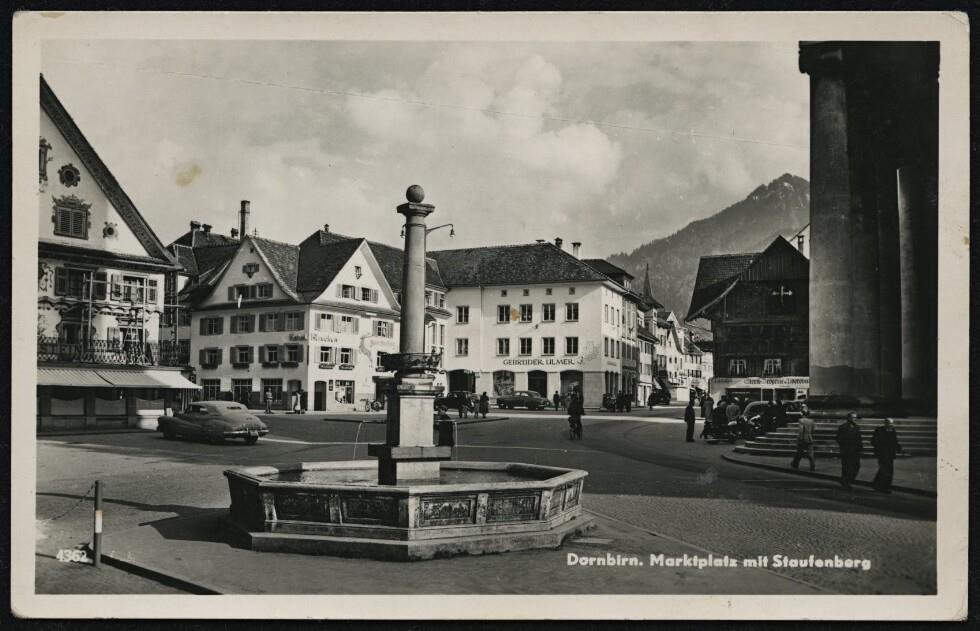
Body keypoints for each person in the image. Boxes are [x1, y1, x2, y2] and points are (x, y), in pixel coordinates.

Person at [871, 418, 903, 493]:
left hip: (890, 454)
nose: (890, 425)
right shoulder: (879, 430)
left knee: (889, 470)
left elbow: (895, 441)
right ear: (885, 423)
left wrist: (900, 449)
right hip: (882, 453)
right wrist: (879, 450)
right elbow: (873, 441)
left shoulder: (893, 430)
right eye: (888, 423)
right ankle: (883, 487)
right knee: (885, 470)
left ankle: (878, 485)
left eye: (891, 423)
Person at [836, 412, 864, 489]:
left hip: (855, 450)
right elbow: (838, 438)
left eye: (855, 417)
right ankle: (846, 482)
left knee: (856, 466)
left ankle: (849, 480)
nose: (854, 419)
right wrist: (843, 447)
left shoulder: (857, 427)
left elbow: (859, 439)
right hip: (846, 450)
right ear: (848, 418)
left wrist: (861, 448)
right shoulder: (843, 427)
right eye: (852, 417)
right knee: (846, 467)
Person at [790, 404, 816, 471]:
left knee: (799, 452)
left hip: (803, 438)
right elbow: (813, 430)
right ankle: (812, 465)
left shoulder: (801, 420)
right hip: (809, 438)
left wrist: (800, 438)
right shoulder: (812, 421)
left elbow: (801, 430)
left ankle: (795, 463)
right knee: (810, 453)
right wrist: (811, 436)